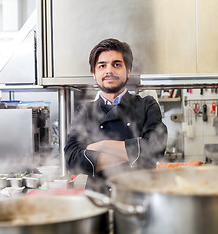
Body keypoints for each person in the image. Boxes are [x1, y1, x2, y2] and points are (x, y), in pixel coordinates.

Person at [64, 38, 168, 189]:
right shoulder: (85, 111)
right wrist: (134, 152)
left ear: (128, 71)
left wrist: (99, 145)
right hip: (98, 199)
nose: (109, 71)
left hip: (139, 196)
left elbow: (155, 150)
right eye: (102, 65)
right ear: (94, 73)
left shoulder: (147, 105)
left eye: (117, 64)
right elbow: (72, 159)